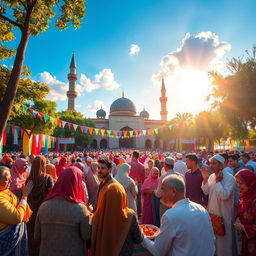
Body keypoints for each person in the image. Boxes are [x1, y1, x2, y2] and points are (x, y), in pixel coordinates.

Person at [142, 174, 215, 256]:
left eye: (163, 190)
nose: (160, 194)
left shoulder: (170, 216)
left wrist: (141, 236)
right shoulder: (201, 209)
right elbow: (212, 240)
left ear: (173, 191)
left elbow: (158, 251)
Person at [34, 166, 91, 256]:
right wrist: (90, 215)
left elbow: (37, 236)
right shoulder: (81, 209)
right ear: (77, 183)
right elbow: (86, 235)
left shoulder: (44, 206)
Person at [91, 182, 143, 256]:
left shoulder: (97, 216)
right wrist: (142, 231)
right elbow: (138, 239)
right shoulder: (130, 216)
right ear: (123, 197)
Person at [201, 154, 236, 256]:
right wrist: (205, 179)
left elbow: (224, 196)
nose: (211, 166)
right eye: (211, 163)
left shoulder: (230, 178)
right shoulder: (212, 176)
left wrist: (218, 182)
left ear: (221, 165)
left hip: (224, 216)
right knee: (213, 242)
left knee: (223, 245)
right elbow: (206, 191)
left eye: (214, 163)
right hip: (212, 214)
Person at [0, 166, 34, 255]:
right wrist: (25, 195)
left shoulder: (5, 191)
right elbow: (17, 217)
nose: (11, 181)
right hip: (5, 240)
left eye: (10, 178)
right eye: (7, 179)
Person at [26, 155, 54, 255]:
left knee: (32, 232)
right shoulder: (47, 178)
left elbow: (26, 195)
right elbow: (52, 194)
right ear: (43, 165)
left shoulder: (29, 179)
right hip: (44, 211)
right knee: (42, 233)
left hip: (30, 212)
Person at [234, 169, 256, 256]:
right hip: (245, 240)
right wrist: (238, 219)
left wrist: (244, 227)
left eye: (241, 183)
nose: (239, 186)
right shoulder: (244, 195)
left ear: (250, 182)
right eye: (237, 182)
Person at [129, 151, 146, 216]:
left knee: (130, 198)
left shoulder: (129, 165)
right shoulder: (142, 166)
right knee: (139, 198)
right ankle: (139, 213)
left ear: (133, 156)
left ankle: (131, 213)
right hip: (139, 183)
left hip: (131, 183)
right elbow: (144, 177)